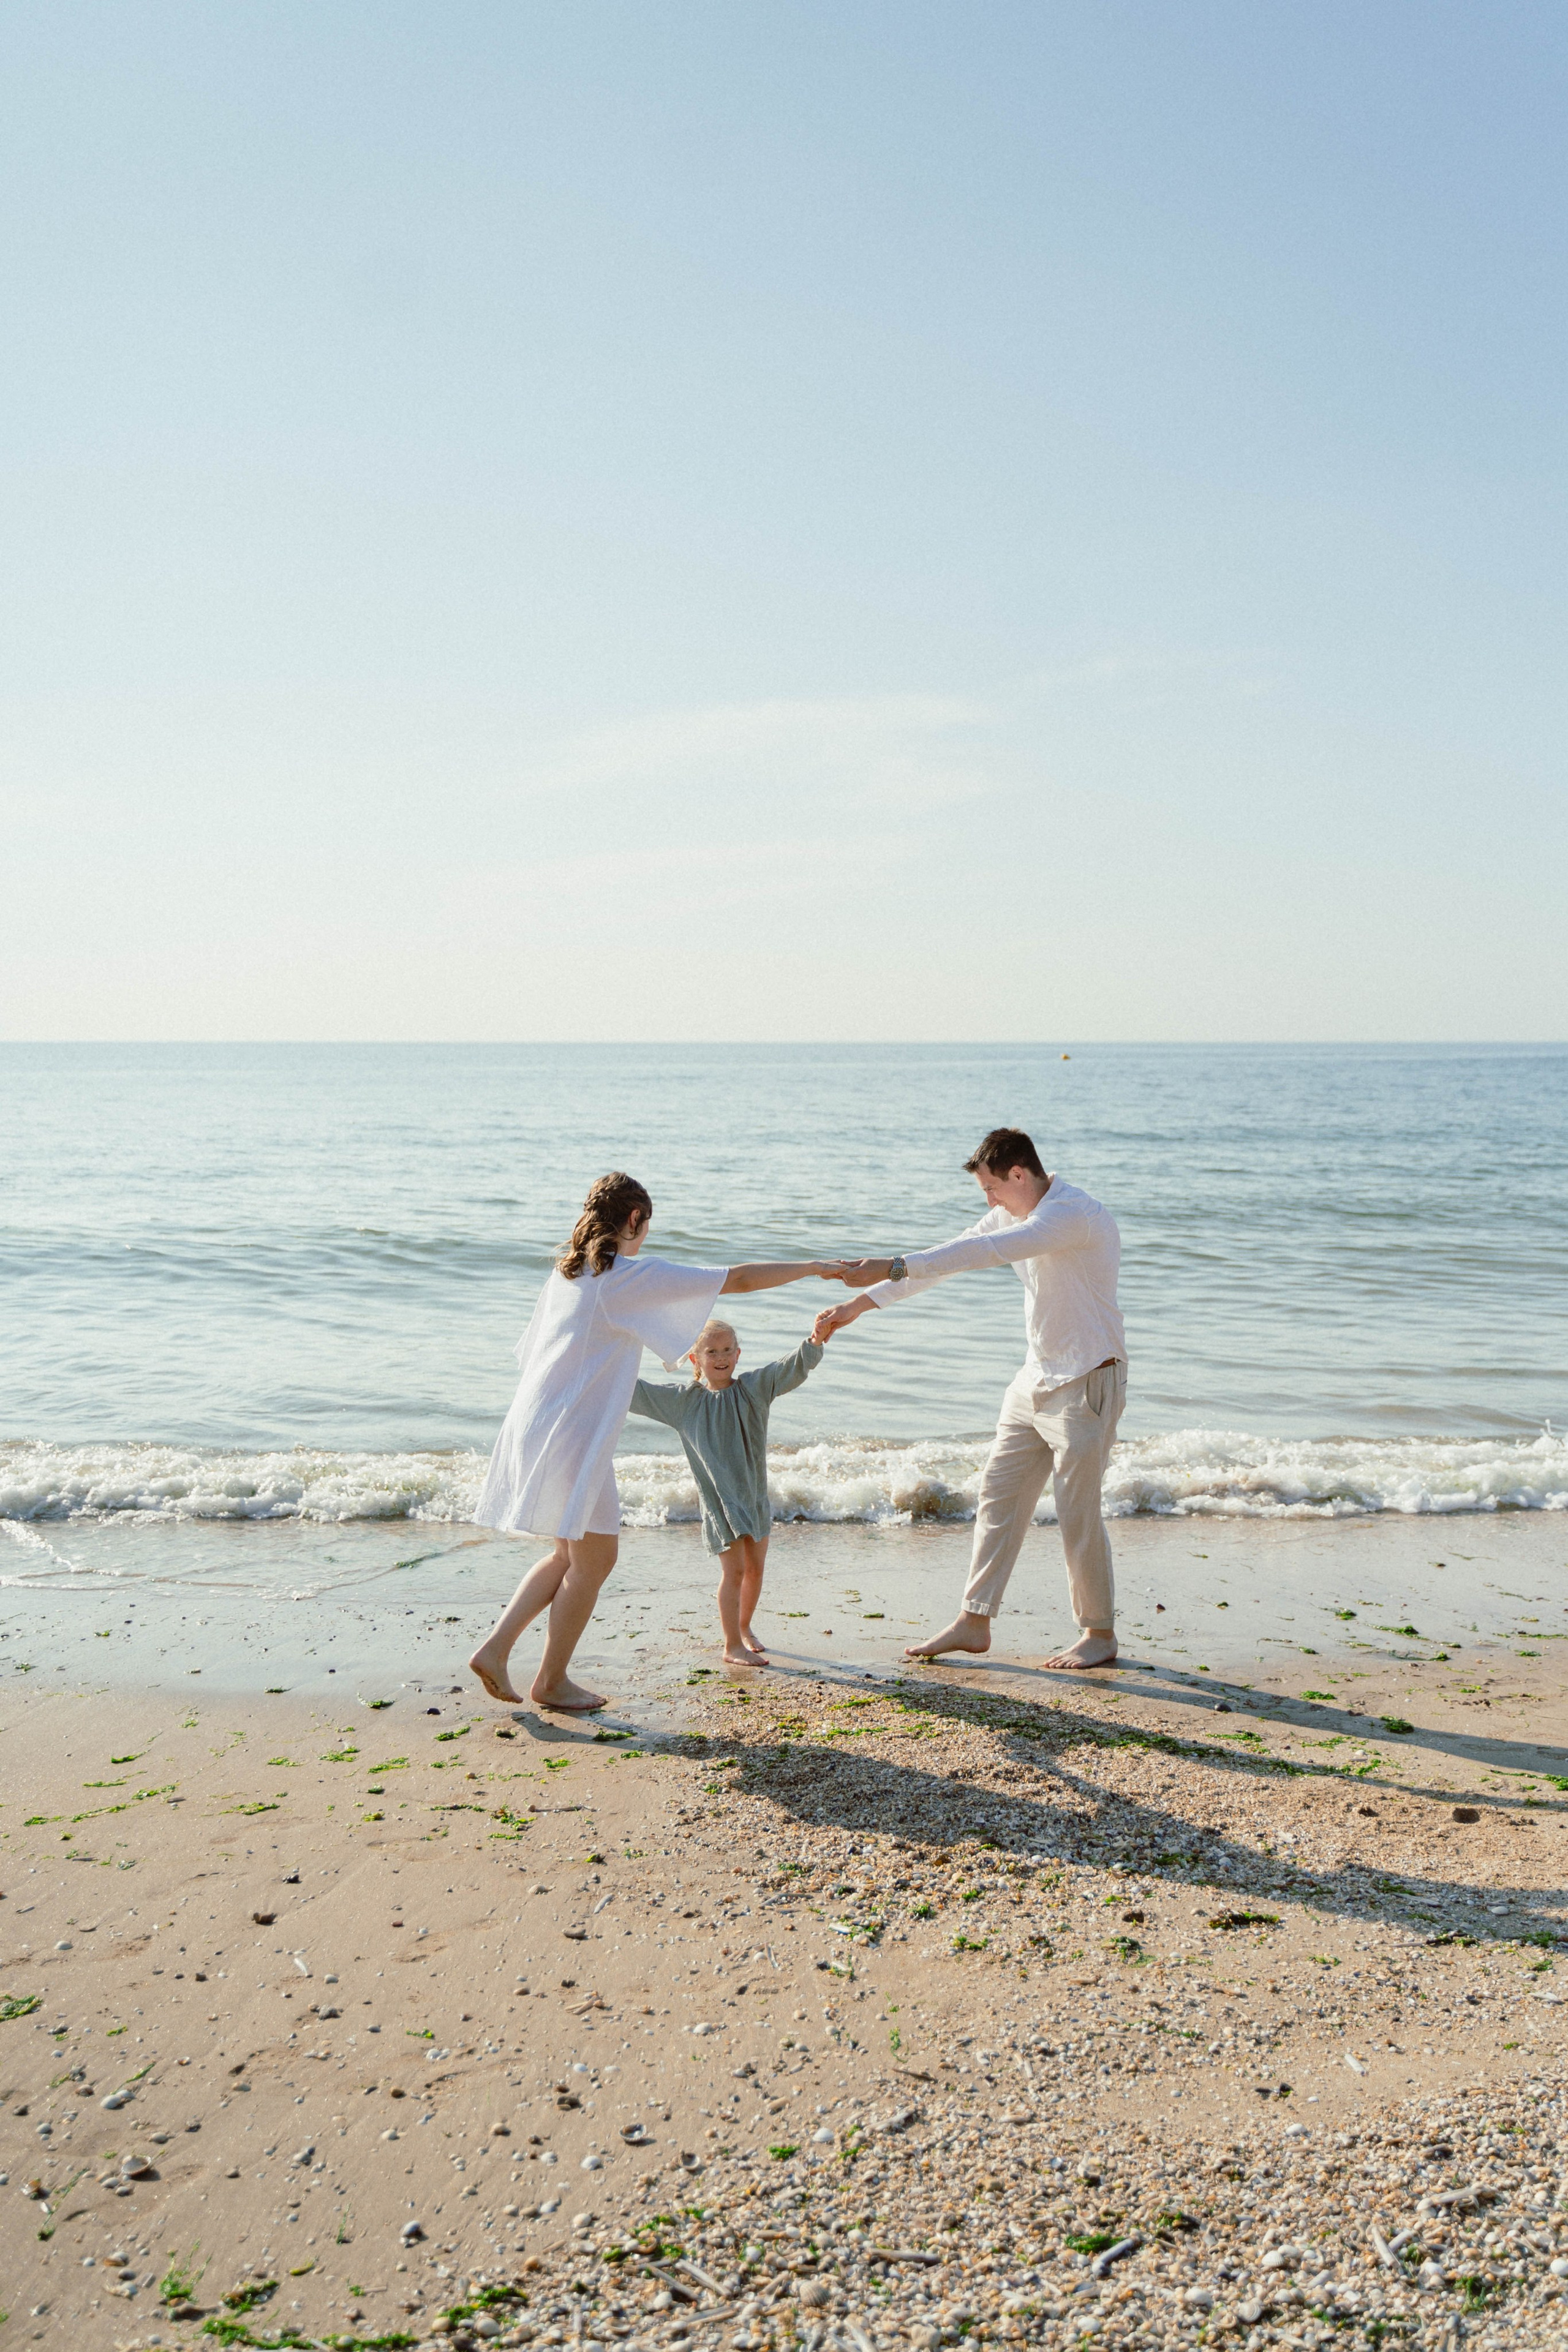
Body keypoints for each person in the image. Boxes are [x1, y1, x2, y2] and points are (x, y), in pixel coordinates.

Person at [469, 1172, 839, 1712]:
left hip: (536, 1420)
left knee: (568, 1556)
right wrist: (810, 1266)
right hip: (573, 1434)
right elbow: (734, 1278)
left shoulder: (568, 1274)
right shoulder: (623, 1276)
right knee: (593, 1561)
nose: (646, 1239)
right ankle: (550, 1680)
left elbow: (534, 1355)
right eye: (646, 1227)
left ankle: (497, 1649)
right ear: (635, 1221)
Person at [813, 1126, 1126, 1670]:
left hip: (1086, 1381)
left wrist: (890, 1262)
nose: (990, 1202)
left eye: (992, 1189)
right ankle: (974, 1620)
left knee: (1078, 1513)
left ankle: (1099, 1633)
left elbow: (985, 1252)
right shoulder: (1014, 1212)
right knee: (997, 1496)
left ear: (1019, 1175)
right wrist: (858, 1305)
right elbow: (949, 1257)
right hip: (1035, 1379)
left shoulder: (1072, 1215)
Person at [628, 1317, 825, 1665]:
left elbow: (789, 1368)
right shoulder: (683, 1402)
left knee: (755, 1571)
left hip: (754, 1497)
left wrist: (814, 1341)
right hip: (720, 1503)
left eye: (727, 1350)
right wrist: (603, 1358)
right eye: (711, 1351)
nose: (721, 1357)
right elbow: (634, 1392)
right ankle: (731, 1645)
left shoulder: (753, 1388)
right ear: (695, 1359)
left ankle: (744, 1628)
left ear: (738, 1354)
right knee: (733, 1573)